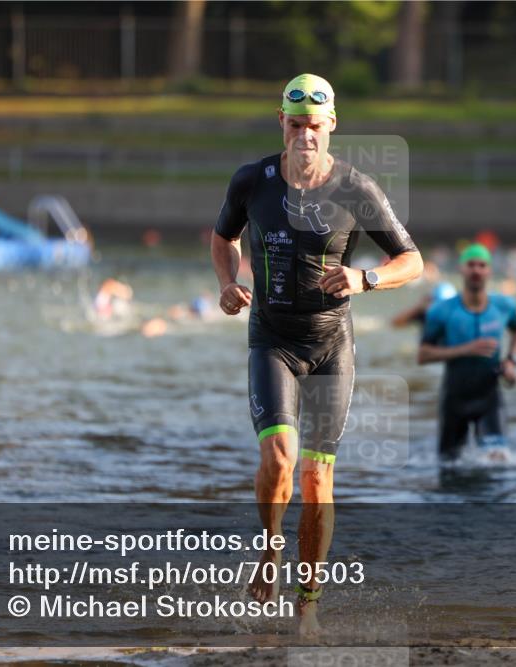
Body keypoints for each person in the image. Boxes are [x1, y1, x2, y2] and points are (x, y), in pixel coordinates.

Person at [210, 73, 423, 636]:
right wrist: (228, 281)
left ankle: (308, 605)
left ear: (332, 125)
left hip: (331, 345)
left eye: (315, 125)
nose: (306, 135)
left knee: (316, 481)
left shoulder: (356, 189)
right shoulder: (251, 181)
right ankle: (270, 547)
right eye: (296, 124)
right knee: (279, 459)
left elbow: (413, 261)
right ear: (281, 122)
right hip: (272, 340)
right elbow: (222, 237)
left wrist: (365, 277)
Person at [418, 243, 516, 463]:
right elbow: (423, 354)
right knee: (449, 465)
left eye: (482, 265)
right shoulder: (442, 311)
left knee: (499, 462)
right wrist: (465, 350)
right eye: (471, 265)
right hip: (455, 398)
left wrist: (511, 360)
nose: (476, 270)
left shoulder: (504, 305)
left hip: (489, 398)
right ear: (461, 269)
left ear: (489, 270)